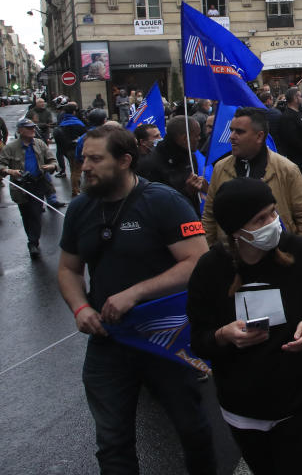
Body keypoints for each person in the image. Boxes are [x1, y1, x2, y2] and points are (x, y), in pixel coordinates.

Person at [56, 125, 216, 474]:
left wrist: (137, 292)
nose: (86, 167)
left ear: (126, 160)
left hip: (164, 337)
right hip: (108, 341)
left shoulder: (162, 202)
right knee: (112, 442)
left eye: (96, 159)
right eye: (84, 158)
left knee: (191, 428)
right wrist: (80, 307)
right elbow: (68, 269)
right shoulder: (81, 208)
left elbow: (198, 261)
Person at [187, 177, 302, 474]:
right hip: (243, 408)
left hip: (300, 401)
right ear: (236, 230)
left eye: (272, 212)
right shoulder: (210, 270)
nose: (273, 222)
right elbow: (198, 339)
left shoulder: (299, 252)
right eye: (260, 219)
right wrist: (223, 336)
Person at [202, 107, 302, 246]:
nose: (231, 136)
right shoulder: (220, 168)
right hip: (231, 258)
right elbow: (209, 215)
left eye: (239, 132)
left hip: (277, 258)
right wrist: (209, 252)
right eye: (232, 130)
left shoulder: (286, 169)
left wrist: (300, 256)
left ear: (259, 136)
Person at [0, 117, 57, 258]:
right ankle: (32, 240)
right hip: (21, 187)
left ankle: (33, 242)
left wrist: (51, 166)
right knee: (26, 215)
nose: (32, 130)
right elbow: (1, 164)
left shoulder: (39, 144)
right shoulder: (10, 148)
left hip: (38, 184)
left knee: (36, 213)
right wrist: (9, 171)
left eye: (33, 128)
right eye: (28, 128)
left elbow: (52, 160)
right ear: (20, 130)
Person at [138, 115, 207, 216]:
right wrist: (186, 191)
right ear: (184, 138)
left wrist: (202, 189)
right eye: (197, 135)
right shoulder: (150, 163)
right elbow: (153, 203)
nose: (199, 139)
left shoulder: (190, 157)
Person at [276, 87, 302, 185]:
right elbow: (291, 138)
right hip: (297, 158)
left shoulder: (299, 113)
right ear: (295, 98)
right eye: (300, 96)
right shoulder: (287, 116)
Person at [54, 102, 88, 196]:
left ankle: (76, 188)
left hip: (67, 150)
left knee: (73, 169)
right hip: (77, 149)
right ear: (73, 112)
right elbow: (85, 135)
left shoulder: (63, 123)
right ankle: (76, 189)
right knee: (77, 171)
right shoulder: (77, 123)